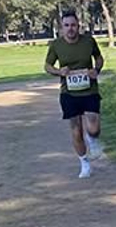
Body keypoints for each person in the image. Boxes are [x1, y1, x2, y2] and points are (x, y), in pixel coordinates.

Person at [44, 12, 105, 178]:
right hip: (68, 92)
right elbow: (47, 66)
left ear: (78, 26)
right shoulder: (56, 45)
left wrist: (96, 70)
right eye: (66, 26)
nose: (70, 29)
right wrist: (59, 71)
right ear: (61, 28)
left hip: (89, 90)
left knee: (94, 127)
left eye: (73, 25)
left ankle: (92, 139)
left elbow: (99, 58)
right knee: (76, 131)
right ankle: (84, 163)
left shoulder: (88, 41)